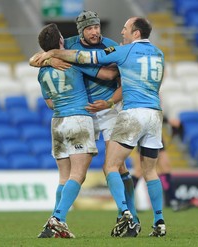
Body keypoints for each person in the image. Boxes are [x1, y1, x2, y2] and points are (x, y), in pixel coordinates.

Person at [36, 17, 166, 237]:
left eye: (97, 27)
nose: (96, 31)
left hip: (99, 112)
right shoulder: (69, 45)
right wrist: (53, 55)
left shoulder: (113, 46)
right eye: (90, 28)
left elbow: (111, 75)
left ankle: (128, 215)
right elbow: (102, 70)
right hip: (91, 114)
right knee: (120, 167)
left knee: (115, 167)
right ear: (79, 32)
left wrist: (108, 102)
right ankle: (148, 219)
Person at [35, 23, 119, 238]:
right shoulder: (71, 62)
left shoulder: (42, 71)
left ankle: (53, 224)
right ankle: (58, 219)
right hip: (78, 119)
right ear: (61, 42)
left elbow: (50, 103)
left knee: (64, 177)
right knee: (78, 175)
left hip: (57, 122)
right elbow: (107, 76)